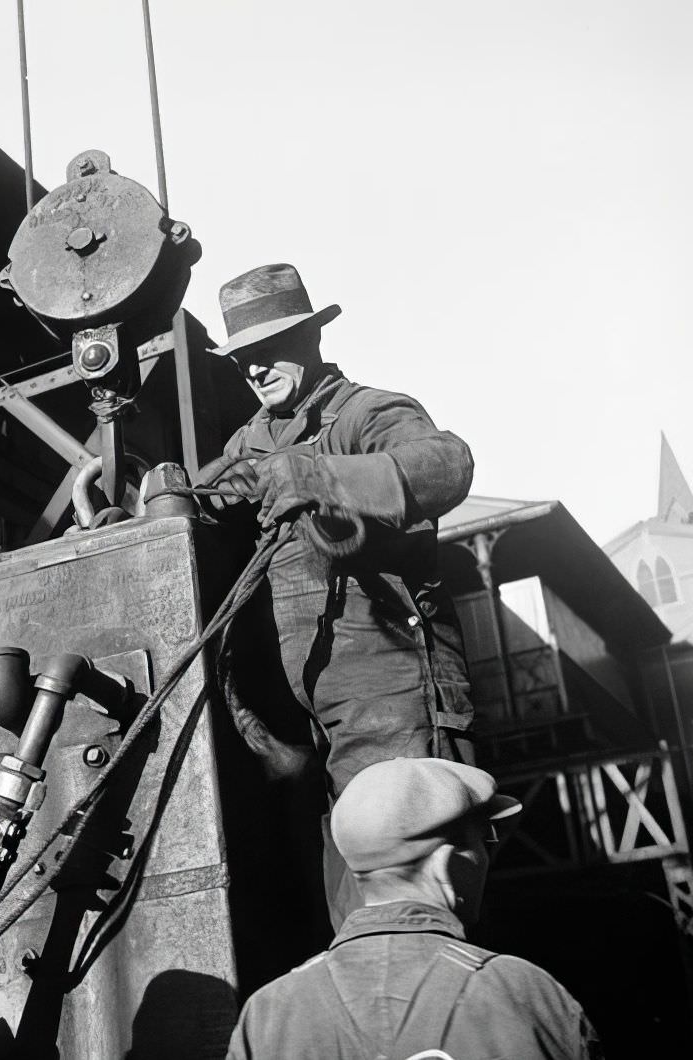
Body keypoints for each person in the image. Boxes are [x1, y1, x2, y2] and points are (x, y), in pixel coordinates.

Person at [198, 262, 475, 922]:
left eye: (266, 354)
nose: (255, 372)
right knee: (345, 893)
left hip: (387, 683)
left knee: (406, 873)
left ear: (311, 340)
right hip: (301, 707)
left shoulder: (369, 413)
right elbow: (209, 495)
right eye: (243, 362)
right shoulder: (253, 441)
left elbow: (446, 464)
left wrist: (325, 475)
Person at [226, 757, 603, 1060]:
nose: (488, 855)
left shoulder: (268, 1017)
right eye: (483, 838)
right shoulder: (520, 994)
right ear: (443, 864)